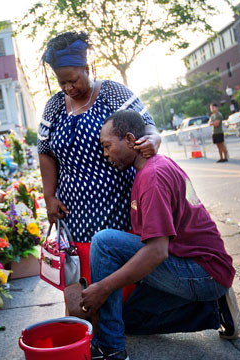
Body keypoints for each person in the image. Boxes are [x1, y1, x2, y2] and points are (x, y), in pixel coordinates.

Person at [81, 110, 240, 360]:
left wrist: (103, 287)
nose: (105, 154)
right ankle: (214, 310)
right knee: (129, 319)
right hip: (193, 267)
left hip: (203, 271)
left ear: (131, 140)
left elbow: (157, 251)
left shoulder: (152, 177)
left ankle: (110, 347)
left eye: (107, 146)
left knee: (104, 242)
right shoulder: (151, 167)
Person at [37, 32, 161, 282]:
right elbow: (45, 152)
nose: (68, 88)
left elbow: (147, 125)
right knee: (84, 288)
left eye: (73, 80)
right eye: (62, 83)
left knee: (121, 285)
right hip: (75, 217)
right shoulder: (54, 106)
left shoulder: (111, 92)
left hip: (118, 209)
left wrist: (153, 140)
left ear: (86, 67)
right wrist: (49, 197)